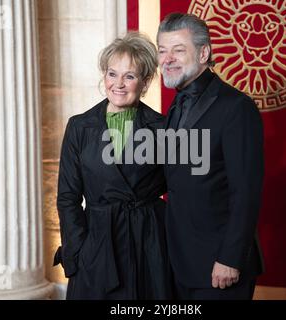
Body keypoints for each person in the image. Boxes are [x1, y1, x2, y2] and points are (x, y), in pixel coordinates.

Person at [53, 32, 172, 300]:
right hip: (97, 244)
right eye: (111, 74)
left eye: (129, 76)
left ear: (145, 82)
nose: (118, 84)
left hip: (149, 243)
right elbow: (68, 197)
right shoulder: (79, 127)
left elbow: (182, 192)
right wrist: (78, 251)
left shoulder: (163, 128)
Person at [157, 13, 264, 300]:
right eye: (162, 50)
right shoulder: (175, 106)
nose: (167, 59)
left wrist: (230, 257)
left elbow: (246, 192)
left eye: (178, 50)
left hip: (221, 265)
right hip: (178, 262)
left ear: (204, 53)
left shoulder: (236, 107)